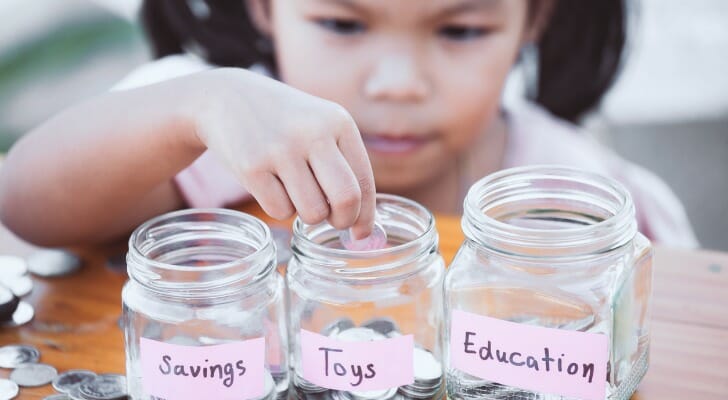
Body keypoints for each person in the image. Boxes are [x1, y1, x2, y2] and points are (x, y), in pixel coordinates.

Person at [0, 0, 698, 248]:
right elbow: (22, 203)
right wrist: (196, 107)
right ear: (264, 8)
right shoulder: (205, 123)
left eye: (459, 30)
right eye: (340, 23)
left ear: (532, 20)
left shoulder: (581, 195)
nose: (397, 82)